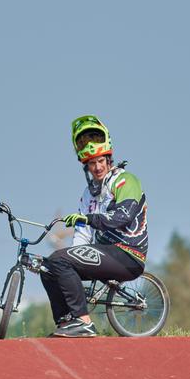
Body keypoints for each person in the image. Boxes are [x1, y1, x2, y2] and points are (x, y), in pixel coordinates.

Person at [39, 115, 148, 337]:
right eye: (91, 163)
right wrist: (71, 254)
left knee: (60, 260)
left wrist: (88, 219)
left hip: (128, 254)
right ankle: (66, 321)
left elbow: (121, 217)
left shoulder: (126, 181)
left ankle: (84, 322)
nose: (97, 167)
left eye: (100, 161)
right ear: (86, 166)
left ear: (109, 159)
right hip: (105, 252)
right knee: (50, 266)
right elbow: (83, 233)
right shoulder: (88, 195)